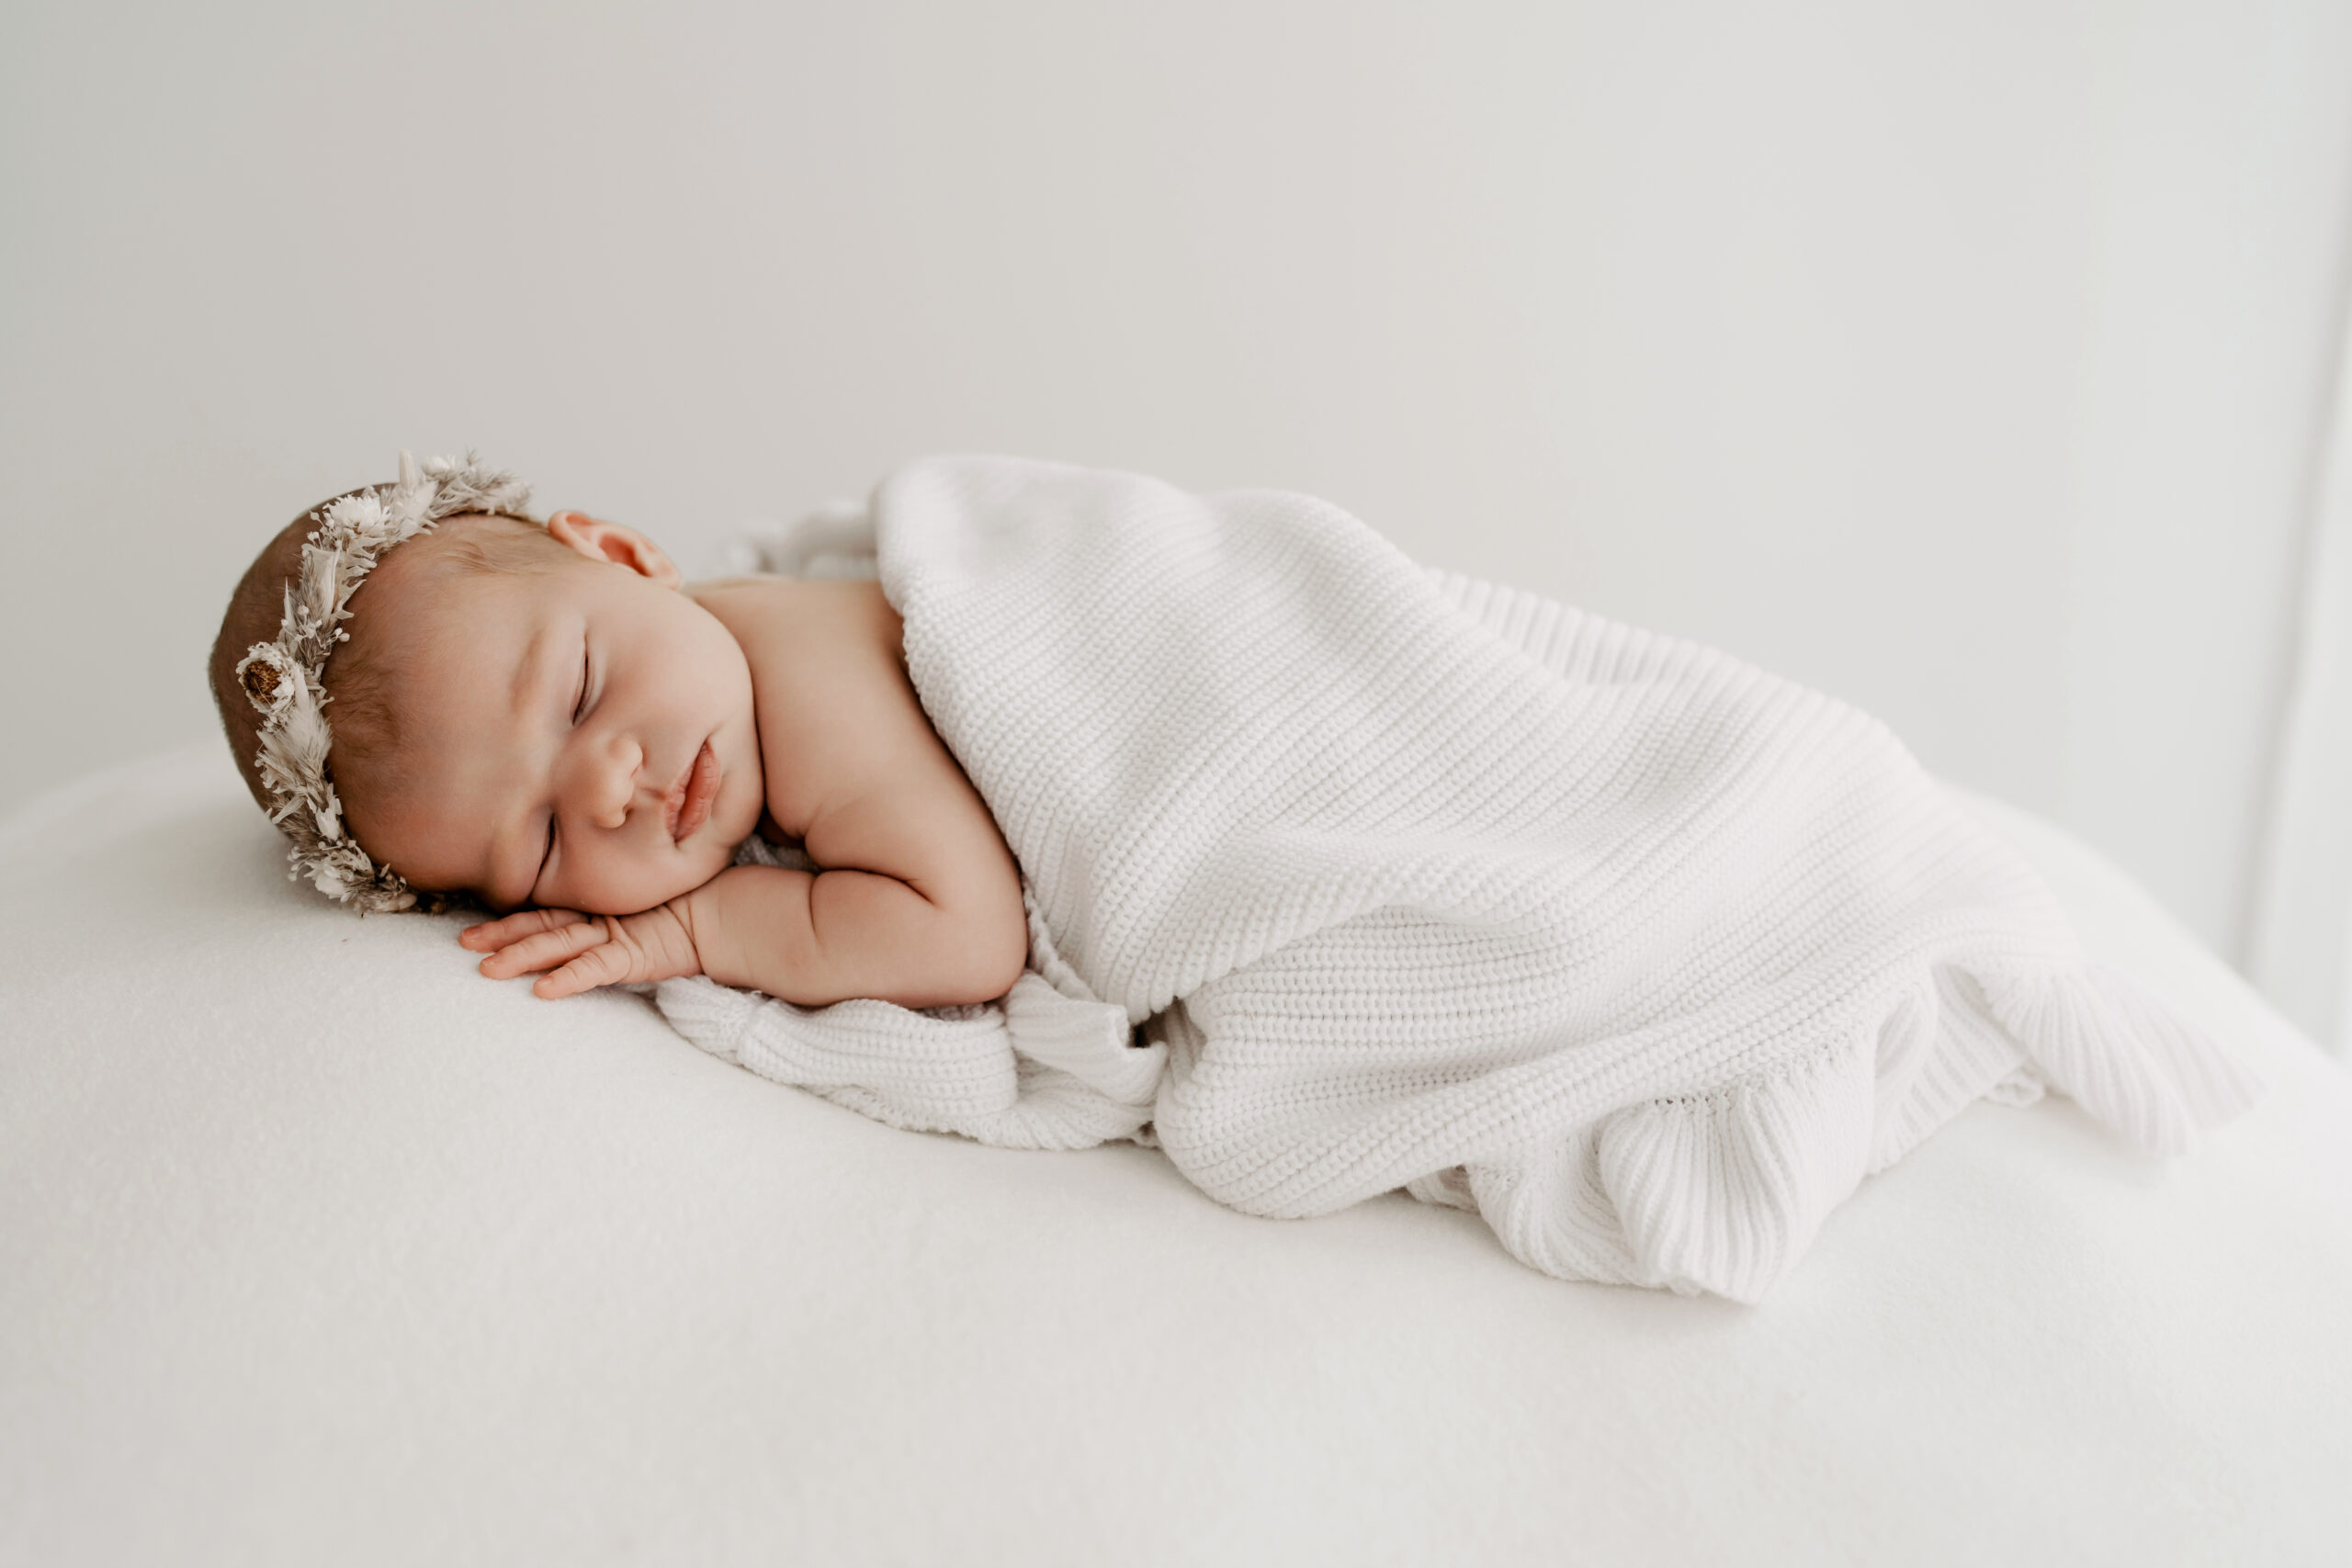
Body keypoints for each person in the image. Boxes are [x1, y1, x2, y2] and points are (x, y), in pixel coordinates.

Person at [209, 453, 1028, 1010]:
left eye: (580, 694)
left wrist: (697, 929)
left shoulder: (805, 686)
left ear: (628, 557)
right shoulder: (709, 687)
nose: (608, 789)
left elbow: (967, 937)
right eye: (544, 841)